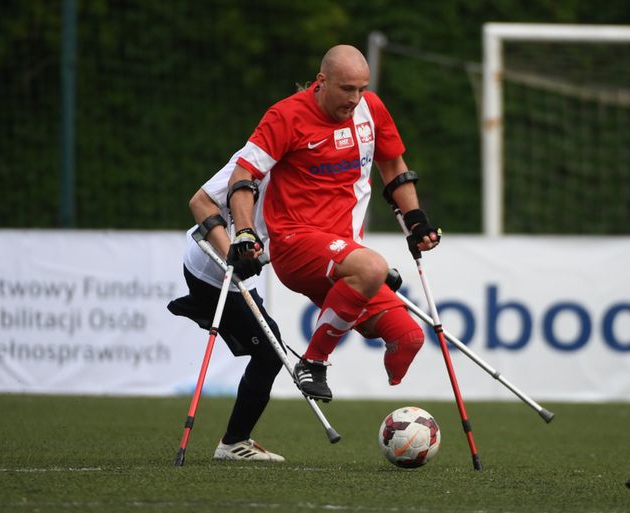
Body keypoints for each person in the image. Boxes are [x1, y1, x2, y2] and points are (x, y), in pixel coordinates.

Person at [227, 44, 441, 402]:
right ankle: (314, 361)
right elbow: (242, 175)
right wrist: (245, 231)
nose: (356, 98)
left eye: (362, 88)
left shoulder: (371, 109)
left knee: (408, 336)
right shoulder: (286, 116)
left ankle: (355, 293)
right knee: (373, 267)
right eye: (347, 89)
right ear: (321, 81)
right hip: (295, 245)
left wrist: (416, 221)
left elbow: (393, 166)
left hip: (344, 253)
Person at [167, 147, 285, 462]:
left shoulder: (316, 171)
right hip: (212, 270)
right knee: (271, 354)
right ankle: (234, 443)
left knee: (269, 349)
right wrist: (231, 251)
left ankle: (235, 440)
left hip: (238, 277)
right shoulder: (256, 157)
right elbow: (200, 203)